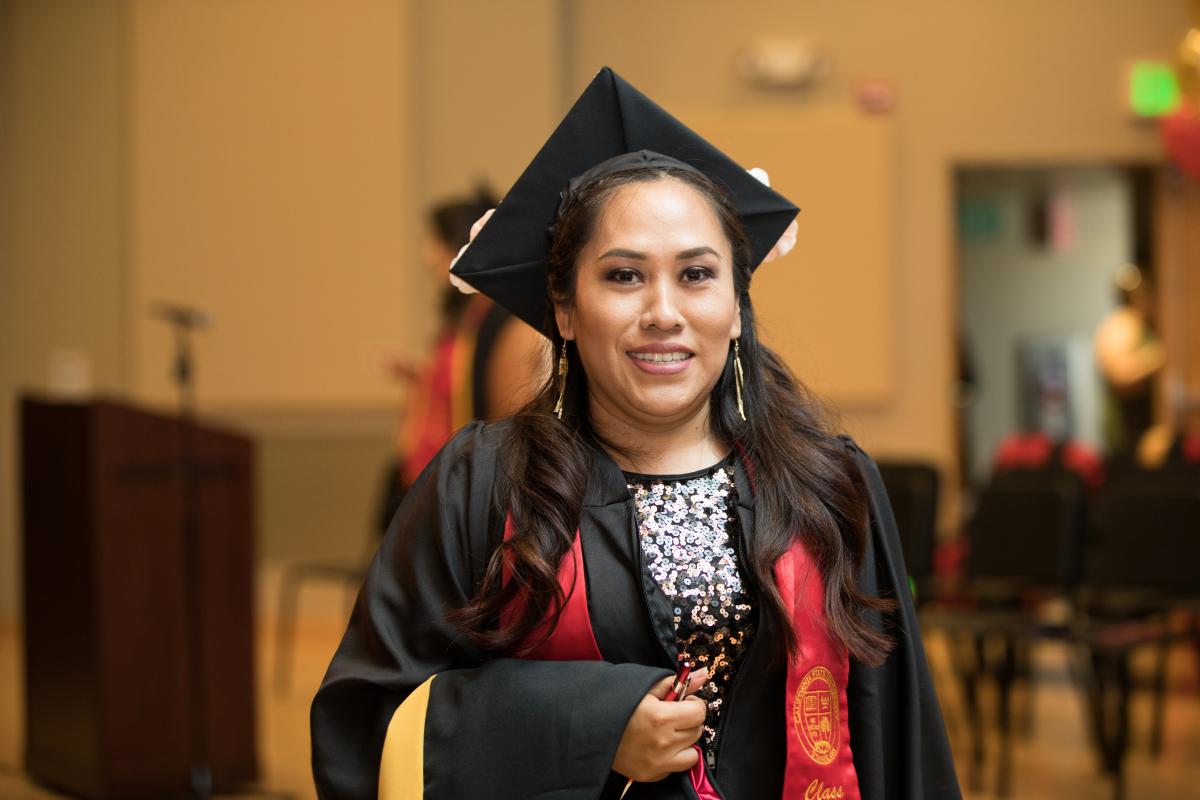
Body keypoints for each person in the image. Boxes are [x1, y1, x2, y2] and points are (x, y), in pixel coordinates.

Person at [312, 67, 960, 800]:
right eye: (623, 276)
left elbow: (900, 742)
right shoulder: (484, 484)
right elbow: (367, 725)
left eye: (696, 275)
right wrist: (592, 726)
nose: (663, 311)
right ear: (563, 308)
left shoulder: (827, 485)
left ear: (737, 303)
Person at [378, 191, 549, 533]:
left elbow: (512, 415)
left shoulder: (504, 318)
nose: (427, 256)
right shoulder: (466, 318)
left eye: (434, 243)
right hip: (443, 473)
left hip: (475, 480)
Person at [1093, 263, 1165, 456]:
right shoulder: (1122, 324)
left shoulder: (1140, 324)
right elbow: (1121, 375)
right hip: (1128, 429)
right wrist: (1156, 358)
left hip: (1139, 426)